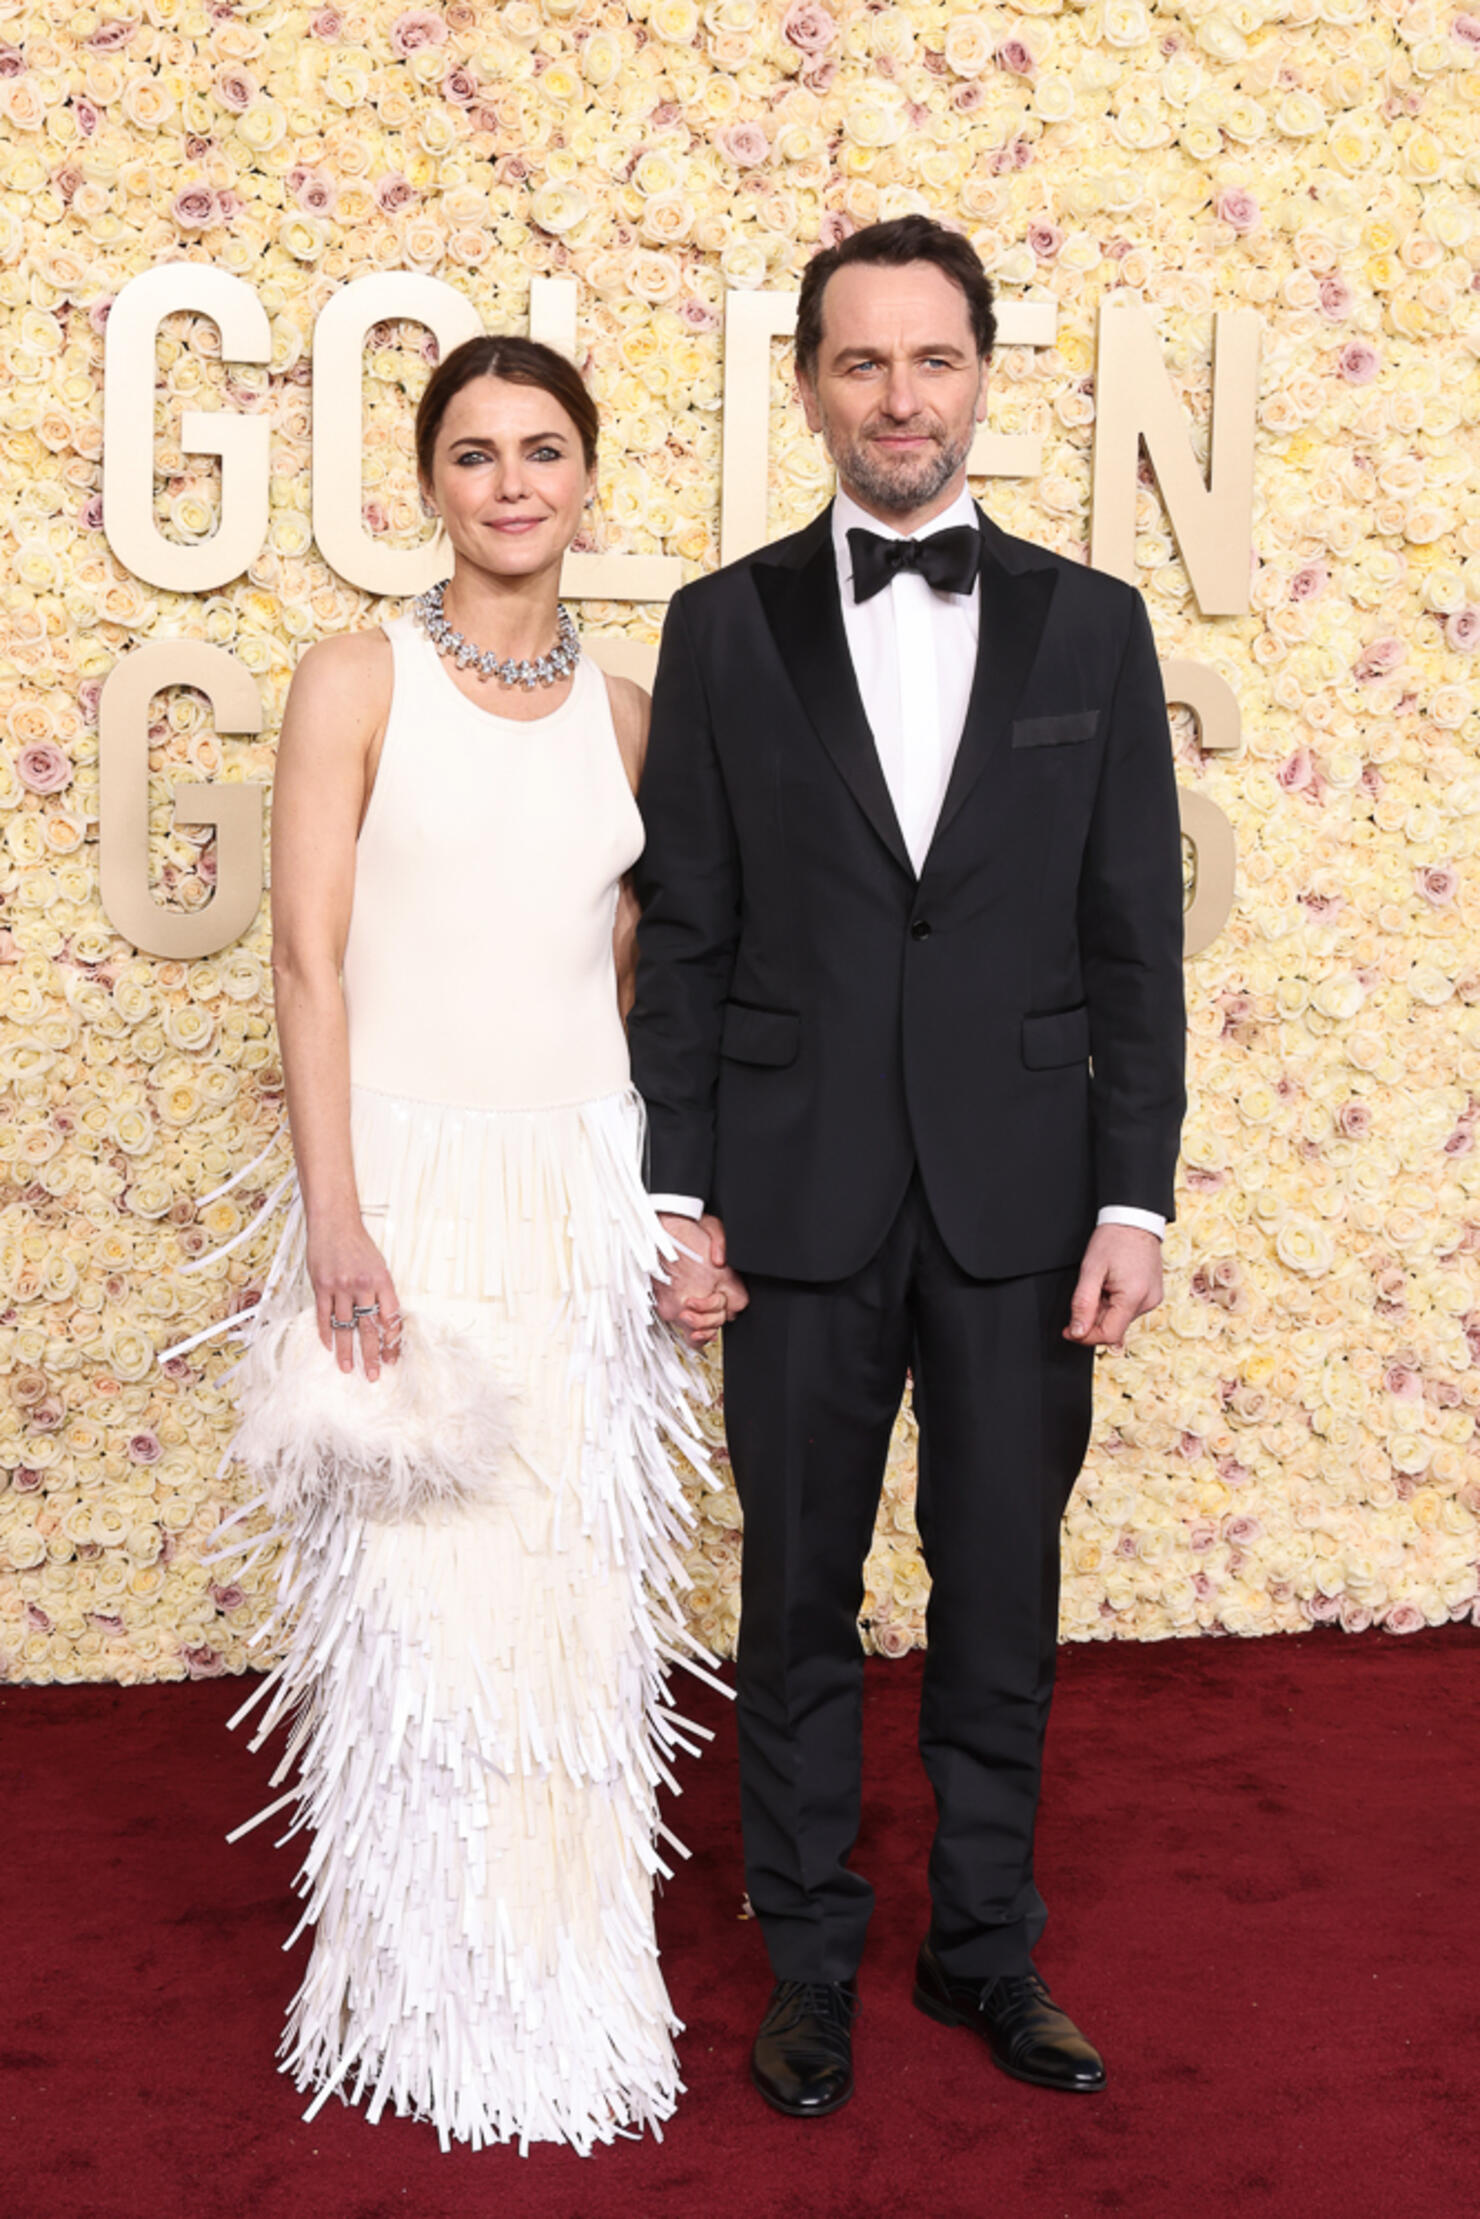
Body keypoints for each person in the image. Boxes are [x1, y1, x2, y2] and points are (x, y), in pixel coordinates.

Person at [630, 215, 1186, 2116]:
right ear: (806, 385)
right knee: (792, 1595)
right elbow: (685, 931)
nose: (898, 397)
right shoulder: (720, 627)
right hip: (786, 1202)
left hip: (1032, 1205)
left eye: (930, 360)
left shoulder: (1092, 625)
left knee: (1001, 1592)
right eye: (860, 363)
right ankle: (807, 1969)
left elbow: (1135, 938)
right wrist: (673, 1187)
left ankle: (982, 1953)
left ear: (980, 377)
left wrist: (1135, 1196)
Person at [214, 336, 719, 2153]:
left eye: (546, 451)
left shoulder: (636, 715)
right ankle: (421, 1999)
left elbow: (642, 986)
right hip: (406, 1195)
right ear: (430, 483)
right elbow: (305, 959)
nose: (513, 482)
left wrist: (672, 1212)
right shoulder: (355, 679)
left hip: (580, 1188)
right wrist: (339, 1215)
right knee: (424, 1618)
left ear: (589, 481)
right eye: (478, 453)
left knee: (575, 1612)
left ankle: (573, 1985)